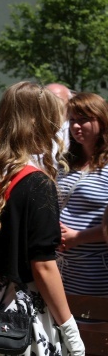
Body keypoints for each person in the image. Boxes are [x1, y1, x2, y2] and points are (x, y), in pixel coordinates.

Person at [0, 82, 84, 356]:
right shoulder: (36, 182)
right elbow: (42, 266)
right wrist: (70, 329)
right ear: (38, 123)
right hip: (19, 321)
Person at [57, 92, 108, 296]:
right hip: (61, 268)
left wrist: (78, 237)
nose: (76, 126)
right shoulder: (65, 162)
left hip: (96, 271)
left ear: (102, 121)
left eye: (84, 120)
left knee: (92, 327)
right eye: (73, 120)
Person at [46, 82, 73, 155]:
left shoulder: (76, 128)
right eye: (48, 101)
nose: (53, 105)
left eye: (58, 100)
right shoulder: (37, 130)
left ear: (69, 103)